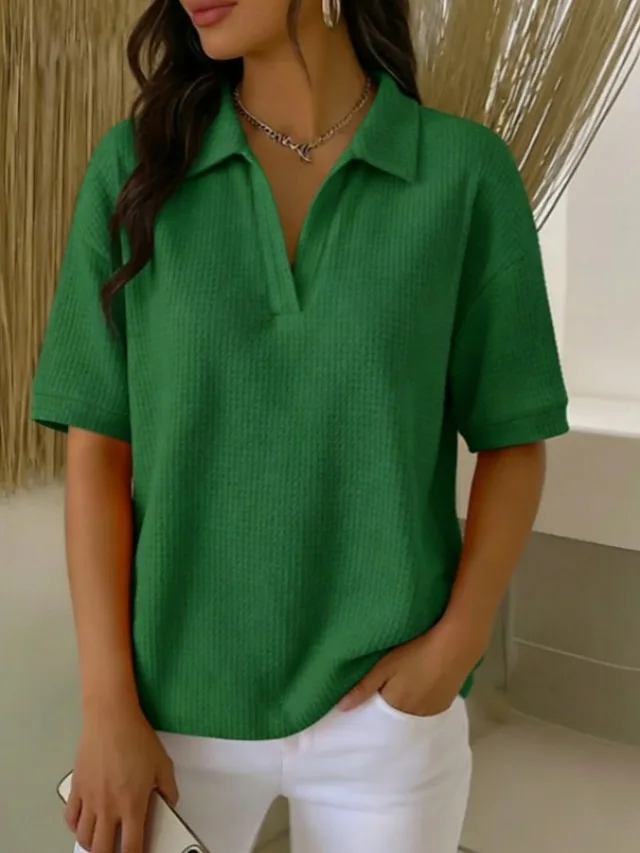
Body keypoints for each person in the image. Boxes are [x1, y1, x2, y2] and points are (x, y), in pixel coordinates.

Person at [32, 0, 569, 851]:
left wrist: (456, 646)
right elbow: (98, 454)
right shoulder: (136, 169)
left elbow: (514, 435)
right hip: (168, 716)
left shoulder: (462, 174)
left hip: (385, 722)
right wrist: (107, 708)